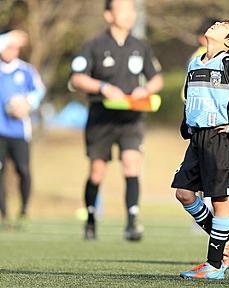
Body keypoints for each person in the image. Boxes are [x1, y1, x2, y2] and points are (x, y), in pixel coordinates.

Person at [172, 20, 229, 280]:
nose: (216, 24)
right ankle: (223, 238)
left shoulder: (227, 64)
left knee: (219, 199)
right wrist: (187, 124)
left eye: (222, 26)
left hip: (220, 140)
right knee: (184, 193)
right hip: (197, 140)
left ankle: (215, 265)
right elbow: (191, 97)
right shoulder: (195, 63)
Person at [70, 0, 163, 241]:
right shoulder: (94, 45)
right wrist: (103, 87)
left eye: (132, 9)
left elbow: (156, 79)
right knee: (97, 171)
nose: (129, 14)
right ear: (109, 15)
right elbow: (77, 78)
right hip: (101, 116)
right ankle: (90, 218)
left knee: (132, 163)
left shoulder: (141, 45)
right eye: (123, 9)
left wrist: (147, 90)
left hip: (131, 116)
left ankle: (132, 223)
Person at [0, 29, 45, 228]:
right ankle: (3, 213)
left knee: (23, 170)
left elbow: (39, 91)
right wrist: (8, 37)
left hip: (19, 131)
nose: (13, 51)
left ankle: (24, 209)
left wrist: (27, 104)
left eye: (16, 48)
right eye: (9, 47)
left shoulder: (26, 70)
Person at [180, 17, 220, 103]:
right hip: (200, 102)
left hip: (191, 99)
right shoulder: (203, 55)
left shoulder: (198, 54)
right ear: (201, 38)